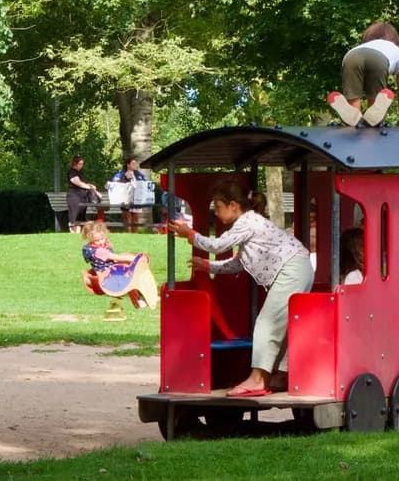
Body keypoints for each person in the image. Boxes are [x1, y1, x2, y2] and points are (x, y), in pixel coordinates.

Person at [169, 178, 313, 397]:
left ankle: (258, 379)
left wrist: (191, 234)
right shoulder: (251, 224)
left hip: (291, 270)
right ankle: (280, 375)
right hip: (298, 267)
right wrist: (209, 266)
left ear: (233, 205)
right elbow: (239, 263)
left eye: (218, 207)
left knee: (267, 322)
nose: (216, 213)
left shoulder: (247, 222)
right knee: (281, 324)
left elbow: (218, 245)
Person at [330, 21, 399, 126]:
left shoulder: (363, 45)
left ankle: (353, 119)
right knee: (375, 103)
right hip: (378, 59)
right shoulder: (398, 51)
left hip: (351, 56)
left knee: (353, 98)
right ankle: (374, 122)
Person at [80, 221, 159, 308]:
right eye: (97, 241)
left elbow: (113, 259)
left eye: (102, 238)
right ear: (89, 239)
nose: (101, 242)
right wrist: (134, 259)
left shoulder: (101, 246)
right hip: (107, 277)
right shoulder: (98, 251)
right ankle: (142, 297)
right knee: (129, 274)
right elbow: (116, 257)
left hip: (111, 273)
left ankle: (139, 300)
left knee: (130, 273)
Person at [110, 157, 147, 233]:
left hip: (136, 198)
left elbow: (144, 182)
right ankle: (128, 234)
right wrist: (124, 178)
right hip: (125, 198)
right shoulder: (121, 173)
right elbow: (114, 183)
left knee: (136, 217)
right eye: (133, 164)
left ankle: (135, 234)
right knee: (127, 217)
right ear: (128, 165)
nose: (135, 165)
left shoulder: (138, 174)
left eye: (135, 164)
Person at [67, 154, 100, 234]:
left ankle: (80, 233)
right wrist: (90, 187)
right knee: (74, 217)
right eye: (80, 164)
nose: (81, 166)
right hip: (74, 197)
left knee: (81, 217)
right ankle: (74, 232)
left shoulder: (80, 172)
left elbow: (83, 183)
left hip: (82, 197)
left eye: (82, 164)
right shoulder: (72, 172)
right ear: (75, 163)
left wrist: (91, 187)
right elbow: (78, 183)